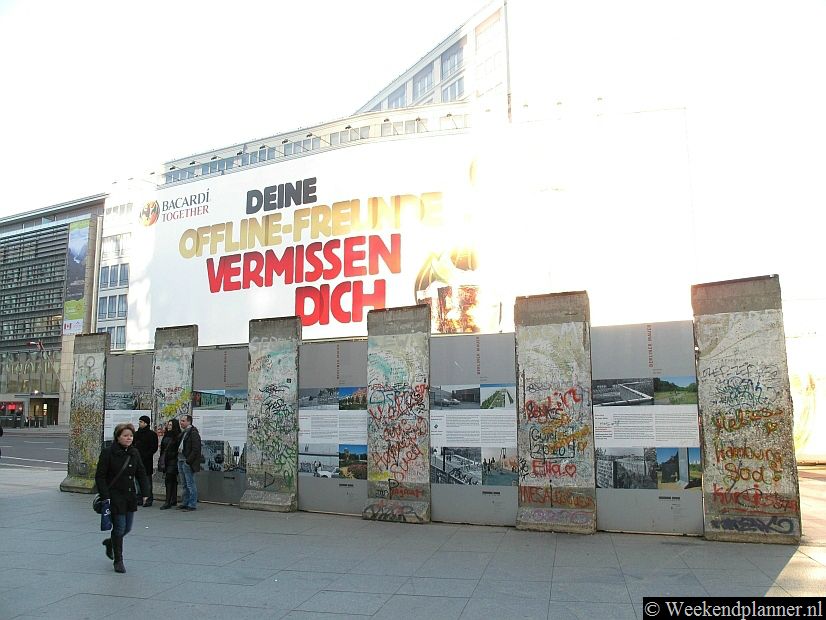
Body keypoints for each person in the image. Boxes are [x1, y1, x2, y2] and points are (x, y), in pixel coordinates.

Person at [94, 423, 149, 574]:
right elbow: (100, 476)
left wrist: (145, 493)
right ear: (118, 437)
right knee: (119, 527)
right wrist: (105, 496)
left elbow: (141, 473)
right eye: (125, 435)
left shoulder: (134, 453)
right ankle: (118, 560)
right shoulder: (108, 453)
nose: (128, 438)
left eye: (130, 435)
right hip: (114, 496)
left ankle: (110, 543)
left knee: (127, 528)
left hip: (129, 496)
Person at [177, 414, 201, 511]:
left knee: (190, 483)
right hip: (180, 459)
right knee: (184, 484)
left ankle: (192, 504)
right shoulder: (184, 432)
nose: (181, 422)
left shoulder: (193, 433)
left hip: (187, 461)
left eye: (183, 421)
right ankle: (185, 502)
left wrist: (188, 461)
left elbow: (196, 449)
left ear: (189, 422)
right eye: (180, 421)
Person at [133, 415, 158, 507]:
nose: (139, 423)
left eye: (141, 422)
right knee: (137, 481)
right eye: (139, 421)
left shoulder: (151, 434)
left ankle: (148, 499)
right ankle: (139, 498)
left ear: (146, 423)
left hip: (146, 461)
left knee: (147, 481)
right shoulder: (136, 434)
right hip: (136, 460)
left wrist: (145, 455)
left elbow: (153, 447)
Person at [158, 418, 182, 510]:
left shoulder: (177, 436)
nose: (169, 426)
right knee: (171, 480)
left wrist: (171, 456)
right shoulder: (166, 435)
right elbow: (163, 448)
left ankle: (168, 501)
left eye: (171, 425)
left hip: (173, 460)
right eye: (168, 424)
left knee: (169, 479)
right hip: (166, 460)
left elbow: (177, 449)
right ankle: (173, 499)